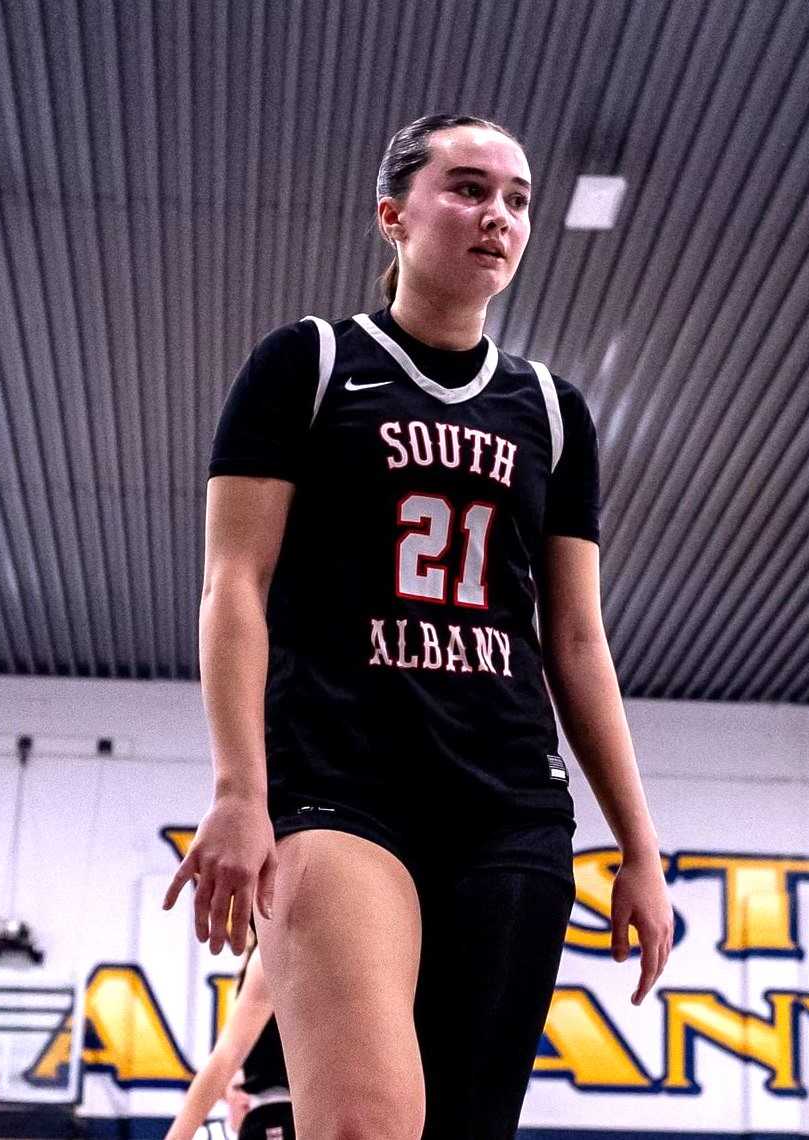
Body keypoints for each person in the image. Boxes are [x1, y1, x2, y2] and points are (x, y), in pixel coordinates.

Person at [164, 112, 674, 1140]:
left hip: (510, 810)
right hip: (343, 788)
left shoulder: (554, 412)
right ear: (394, 215)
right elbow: (234, 585)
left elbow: (575, 641)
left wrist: (641, 849)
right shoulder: (306, 363)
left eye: (519, 201)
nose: (499, 217)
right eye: (470, 189)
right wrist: (236, 790)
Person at [165, 930, 292, 1140]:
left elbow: (226, 1058)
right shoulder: (276, 955)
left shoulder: (276, 954)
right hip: (298, 1114)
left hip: (287, 1115)